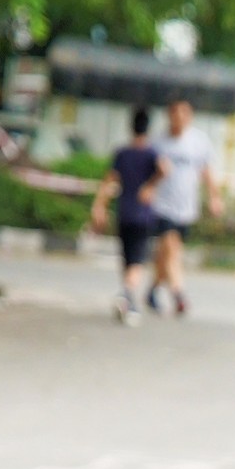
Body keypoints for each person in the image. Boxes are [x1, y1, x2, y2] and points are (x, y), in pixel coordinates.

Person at [90, 107, 165, 324]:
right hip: (143, 215)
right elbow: (165, 169)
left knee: (127, 258)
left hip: (124, 213)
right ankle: (128, 296)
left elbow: (108, 182)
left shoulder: (122, 153)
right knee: (137, 260)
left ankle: (127, 296)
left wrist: (99, 207)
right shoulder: (152, 153)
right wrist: (150, 186)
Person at [148, 96, 221, 315]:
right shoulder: (158, 143)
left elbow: (207, 171)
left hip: (186, 206)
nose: (179, 117)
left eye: (184, 113)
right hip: (162, 205)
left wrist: (214, 197)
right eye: (175, 112)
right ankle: (178, 293)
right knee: (171, 247)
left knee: (166, 253)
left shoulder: (198, 141)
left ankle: (153, 288)